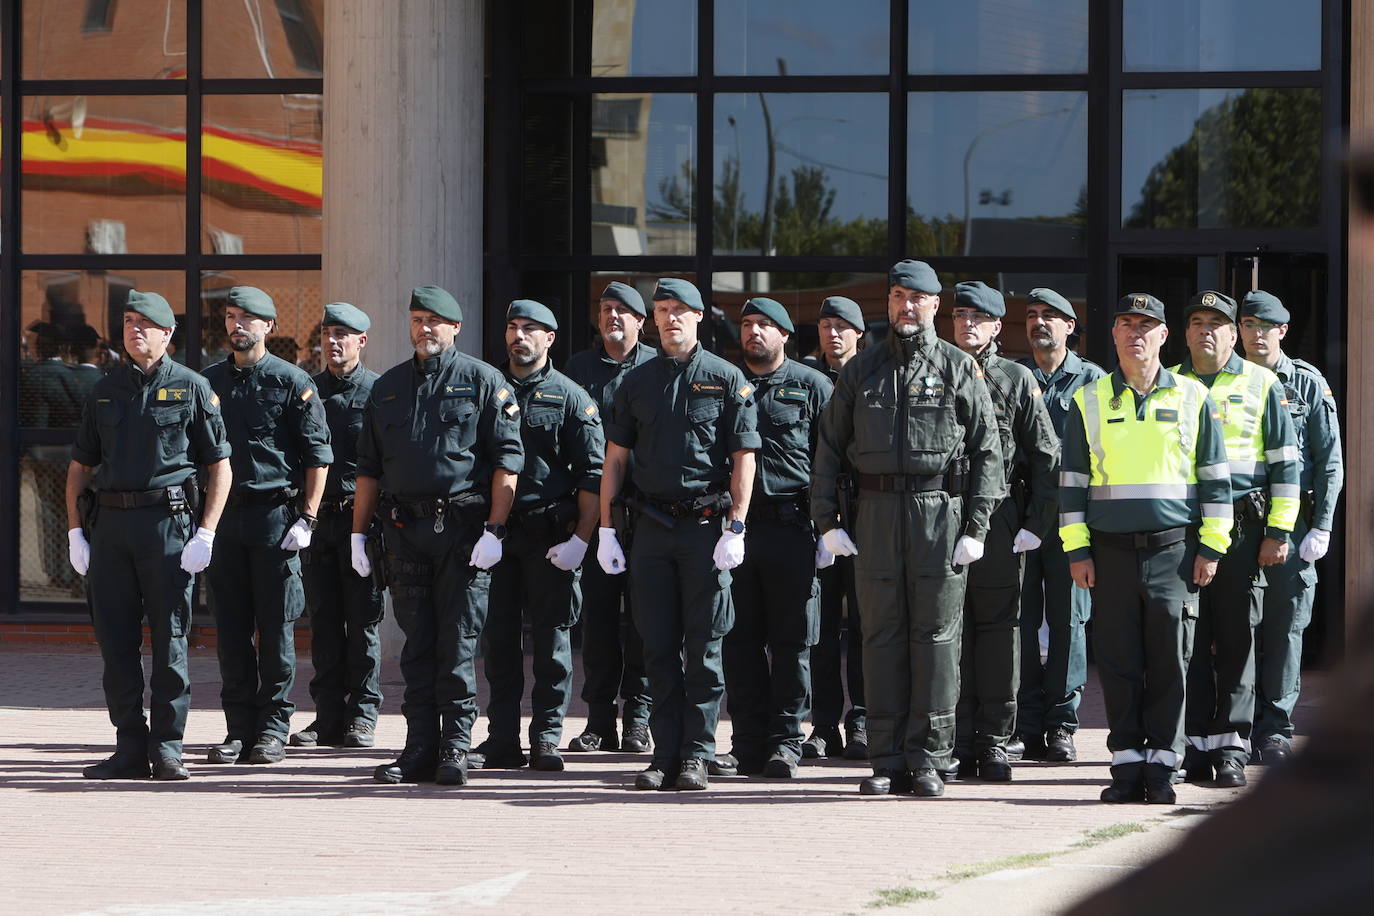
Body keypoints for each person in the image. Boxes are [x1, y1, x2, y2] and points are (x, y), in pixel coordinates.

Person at [812, 259, 1002, 798]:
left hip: (938, 514)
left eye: (917, 298)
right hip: (873, 516)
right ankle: (886, 757)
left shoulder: (959, 368)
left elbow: (989, 451)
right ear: (889, 303)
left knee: (937, 641)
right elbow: (828, 450)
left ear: (935, 305)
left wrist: (977, 526)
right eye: (898, 296)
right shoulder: (860, 370)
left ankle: (930, 758)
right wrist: (827, 520)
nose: (907, 306)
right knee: (880, 639)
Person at [1059, 293, 1232, 804]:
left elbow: (1215, 481)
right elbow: (1071, 484)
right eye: (1126, 324)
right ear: (1112, 334)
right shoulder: (1087, 400)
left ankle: (1163, 768)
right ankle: (1126, 767)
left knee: (1170, 662)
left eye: (1146, 325)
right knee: (1117, 664)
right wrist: (1076, 551)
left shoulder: (1194, 398)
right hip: (1108, 554)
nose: (1136, 333)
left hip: (1173, 553)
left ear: (1163, 336)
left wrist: (1212, 547)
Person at [351, 285, 523, 787]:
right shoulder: (387, 387)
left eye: (434, 321)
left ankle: (455, 747)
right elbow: (368, 468)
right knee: (417, 644)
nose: (424, 329)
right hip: (404, 532)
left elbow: (508, 462)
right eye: (417, 319)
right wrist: (359, 536)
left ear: (455, 328)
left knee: (458, 642)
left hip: (463, 532)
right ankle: (418, 747)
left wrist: (495, 528)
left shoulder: (484, 381)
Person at [597, 277, 760, 792]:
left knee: (705, 646)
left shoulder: (726, 378)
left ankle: (697, 753)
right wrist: (606, 529)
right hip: (650, 530)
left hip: (705, 531)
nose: (670, 318)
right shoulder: (636, 382)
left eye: (680, 310)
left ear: (699, 318)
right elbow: (616, 459)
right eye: (662, 309)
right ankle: (663, 753)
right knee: (656, 646)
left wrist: (736, 525)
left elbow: (744, 458)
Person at [65, 290, 232, 780]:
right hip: (112, 526)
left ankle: (167, 745)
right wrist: (77, 532)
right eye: (129, 321)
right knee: (115, 643)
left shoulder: (192, 387)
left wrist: (207, 532)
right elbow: (80, 467)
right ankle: (129, 746)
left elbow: (219, 465)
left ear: (168, 334)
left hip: (168, 527)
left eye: (146, 324)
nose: (135, 330)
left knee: (170, 639)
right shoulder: (104, 389)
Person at [470, 299, 604, 773]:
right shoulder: (485, 387)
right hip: (497, 536)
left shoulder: (571, 397)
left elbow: (593, 475)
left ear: (550, 339)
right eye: (512, 328)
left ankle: (547, 737)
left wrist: (582, 542)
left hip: (551, 537)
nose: (518, 336)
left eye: (530, 329)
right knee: (498, 643)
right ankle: (501, 738)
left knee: (552, 644)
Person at [202, 286, 333, 766]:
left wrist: (309, 518)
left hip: (275, 520)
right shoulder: (209, 381)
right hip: (225, 519)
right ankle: (239, 729)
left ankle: (273, 730)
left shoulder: (291, 381)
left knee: (276, 629)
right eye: (232, 316)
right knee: (232, 629)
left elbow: (319, 456)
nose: (238, 325)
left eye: (249, 319)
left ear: (269, 327)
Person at [1172, 290, 1299, 788]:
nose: (1206, 330)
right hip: (1184, 528)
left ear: (1233, 334)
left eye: (1217, 323)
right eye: (1196, 321)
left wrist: (1279, 531)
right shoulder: (1171, 383)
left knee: (1237, 637)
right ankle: (1195, 745)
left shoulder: (1262, 383)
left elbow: (1287, 464)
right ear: (1183, 333)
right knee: (1189, 638)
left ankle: (1231, 746)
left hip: (1245, 529)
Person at [946, 281, 1059, 781]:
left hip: (998, 517)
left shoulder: (1016, 378)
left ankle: (992, 739)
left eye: (979, 317)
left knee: (997, 633)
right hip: (940, 513)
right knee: (946, 632)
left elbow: (1046, 457)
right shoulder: (932, 370)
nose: (968, 324)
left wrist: (1035, 524)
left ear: (996, 327)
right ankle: (951, 738)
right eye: (960, 315)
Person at [717, 297, 832, 778]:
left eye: (766, 324)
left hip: (792, 528)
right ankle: (745, 741)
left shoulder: (813, 386)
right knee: (738, 640)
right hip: (735, 529)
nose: (754, 332)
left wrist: (831, 526)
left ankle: (786, 740)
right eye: (747, 324)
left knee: (791, 642)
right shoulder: (724, 381)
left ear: (785, 334)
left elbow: (834, 461)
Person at [1238, 290, 1343, 764]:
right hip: (1235, 521)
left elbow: (1328, 461)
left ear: (1282, 330)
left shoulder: (1305, 381)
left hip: (1291, 522)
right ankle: (1231, 726)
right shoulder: (1221, 378)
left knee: (1285, 626)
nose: (1256, 335)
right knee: (1232, 623)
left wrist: (1321, 526)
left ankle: (1274, 729)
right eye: (1248, 326)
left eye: (1266, 327)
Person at [562, 282, 656, 754]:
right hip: (597, 516)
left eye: (623, 311)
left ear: (642, 322)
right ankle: (599, 720)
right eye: (605, 310)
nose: (613, 317)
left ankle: (639, 717)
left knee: (644, 623)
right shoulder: (576, 370)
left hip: (648, 516)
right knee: (597, 622)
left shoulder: (660, 367)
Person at [289, 303, 385, 750]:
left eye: (343, 334)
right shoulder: (306, 390)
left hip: (359, 521)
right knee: (324, 623)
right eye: (328, 333)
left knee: (363, 621)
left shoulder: (381, 392)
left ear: (362, 341)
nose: (333, 341)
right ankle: (327, 717)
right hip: (317, 521)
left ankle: (362, 716)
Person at [1015, 288, 1105, 762]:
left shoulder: (1094, 381)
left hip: (1073, 520)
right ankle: (1024, 723)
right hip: (1023, 518)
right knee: (1021, 621)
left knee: (1070, 621)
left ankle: (1061, 726)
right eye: (1032, 316)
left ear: (1071, 326)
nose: (1039, 323)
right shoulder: (1014, 375)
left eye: (1051, 315)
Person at [802, 296, 868, 761]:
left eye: (843, 326)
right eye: (826, 325)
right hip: (817, 517)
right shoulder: (805, 379)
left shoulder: (876, 376)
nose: (834, 334)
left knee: (866, 626)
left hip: (867, 515)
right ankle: (823, 724)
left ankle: (862, 718)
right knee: (820, 629)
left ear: (859, 334)